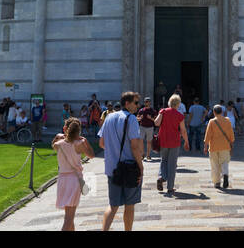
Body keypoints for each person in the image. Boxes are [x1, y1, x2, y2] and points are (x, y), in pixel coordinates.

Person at [98, 91, 144, 231]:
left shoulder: (109, 117)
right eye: (135, 103)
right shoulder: (131, 119)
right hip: (129, 168)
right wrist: (141, 167)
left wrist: (114, 150)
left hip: (112, 167)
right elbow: (135, 147)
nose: (137, 106)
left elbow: (101, 143)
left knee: (113, 206)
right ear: (127, 103)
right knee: (129, 205)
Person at [53, 118, 93, 230]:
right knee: (69, 219)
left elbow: (54, 143)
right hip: (74, 180)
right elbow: (91, 155)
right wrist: (85, 141)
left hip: (62, 180)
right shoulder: (79, 143)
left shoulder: (59, 143)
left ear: (66, 128)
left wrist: (61, 136)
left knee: (69, 216)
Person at [154, 94, 188, 195]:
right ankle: (170, 187)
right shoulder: (179, 115)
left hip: (163, 140)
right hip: (174, 141)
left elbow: (156, 123)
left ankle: (161, 177)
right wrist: (186, 141)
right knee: (172, 164)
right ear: (178, 104)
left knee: (163, 160)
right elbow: (183, 131)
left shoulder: (163, 111)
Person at [204, 104, 234, 189]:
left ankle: (217, 182)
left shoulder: (212, 122)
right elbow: (231, 134)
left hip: (214, 146)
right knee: (224, 162)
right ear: (222, 112)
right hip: (225, 145)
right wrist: (231, 142)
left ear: (214, 112)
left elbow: (208, 135)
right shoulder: (227, 120)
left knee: (215, 164)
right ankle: (225, 174)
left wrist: (205, 146)